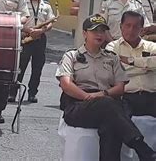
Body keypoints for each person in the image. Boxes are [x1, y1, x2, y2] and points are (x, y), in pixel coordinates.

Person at [56, 13, 156, 161]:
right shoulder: (72, 56)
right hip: (79, 104)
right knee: (111, 105)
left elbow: (120, 87)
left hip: (104, 101)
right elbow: (66, 84)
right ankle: (142, 149)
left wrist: (99, 96)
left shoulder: (111, 57)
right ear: (84, 33)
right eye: (94, 30)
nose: (99, 34)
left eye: (102, 31)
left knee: (110, 124)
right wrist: (88, 97)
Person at [9, 0, 55, 103]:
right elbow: (16, 20)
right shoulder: (22, 4)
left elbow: (50, 22)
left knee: (37, 68)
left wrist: (41, 31)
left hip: (40, 38)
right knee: (20, 67)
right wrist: (28, 30)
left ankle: (32, 93)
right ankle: (12, 93)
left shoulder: (46, 6)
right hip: (25, 37)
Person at [106, 11, 156, 118]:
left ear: (142, 29)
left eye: (135, 27)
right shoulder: (112, 47)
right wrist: (146, 66)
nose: (131, 30)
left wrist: (131, 61)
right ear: (121, 26)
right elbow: (115, 71)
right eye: (128, 26)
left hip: (152, 95)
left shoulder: (151, 47)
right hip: (126, 97)